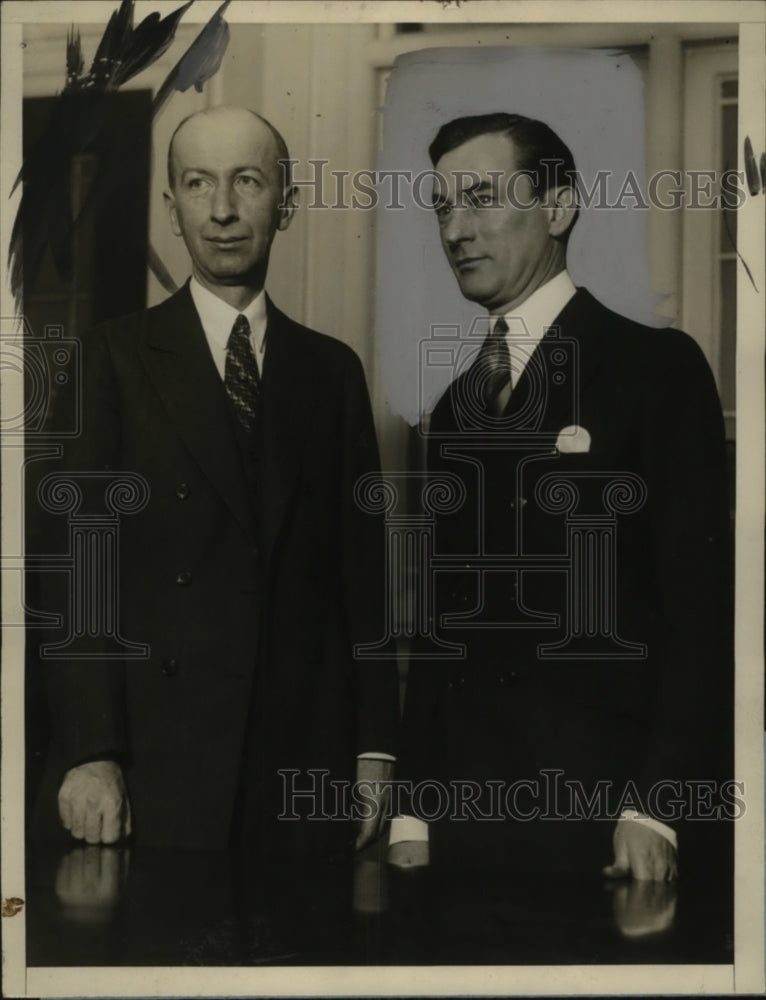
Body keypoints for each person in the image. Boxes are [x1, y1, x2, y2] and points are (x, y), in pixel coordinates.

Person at [31, 106, 399, 859]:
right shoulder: (108, 359)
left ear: (286, 202)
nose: (223, 210)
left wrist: (374, 749)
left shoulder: (332, 372)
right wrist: (92, 752)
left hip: (299, 766)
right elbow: (76, 577)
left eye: (247, 182)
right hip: (148, 765)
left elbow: (362, 579)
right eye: (198, 184)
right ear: (172, 209)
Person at [389, 113, 733, 880]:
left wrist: (657, 807)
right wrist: (412, 812)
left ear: (558, 207)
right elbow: (441, 628)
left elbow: (702, 613)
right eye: (443, 206)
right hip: (468, 831)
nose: (455, 230)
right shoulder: (452, 410)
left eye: (481, 198)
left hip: (609, 825)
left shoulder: (656, 370)